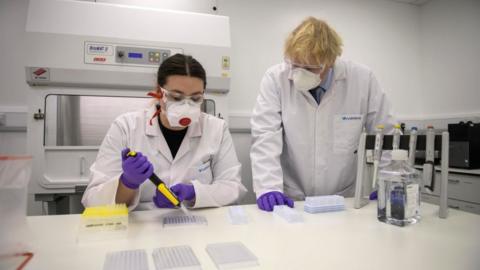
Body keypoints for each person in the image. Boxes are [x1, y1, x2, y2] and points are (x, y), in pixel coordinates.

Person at [250, 17, 396, 211]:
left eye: (309, 68)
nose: (299, 73)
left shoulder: (362, 80)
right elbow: (265, 135)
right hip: (293, 199)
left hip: (343, 199)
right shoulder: (276, 78)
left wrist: (389, 181)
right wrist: (268, 187)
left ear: (331, 61)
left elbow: (385, 133)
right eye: (295, 65)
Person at [82, 54, 247, 210]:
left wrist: (193, 193)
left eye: (195, 99)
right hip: (142, 229)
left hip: (196, 227)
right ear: (159, 92)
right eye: (176, 97)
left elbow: (233, 188)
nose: (186, 107)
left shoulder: (216, 128)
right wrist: (128, 183)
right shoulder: (126, 127)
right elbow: (92, 200)